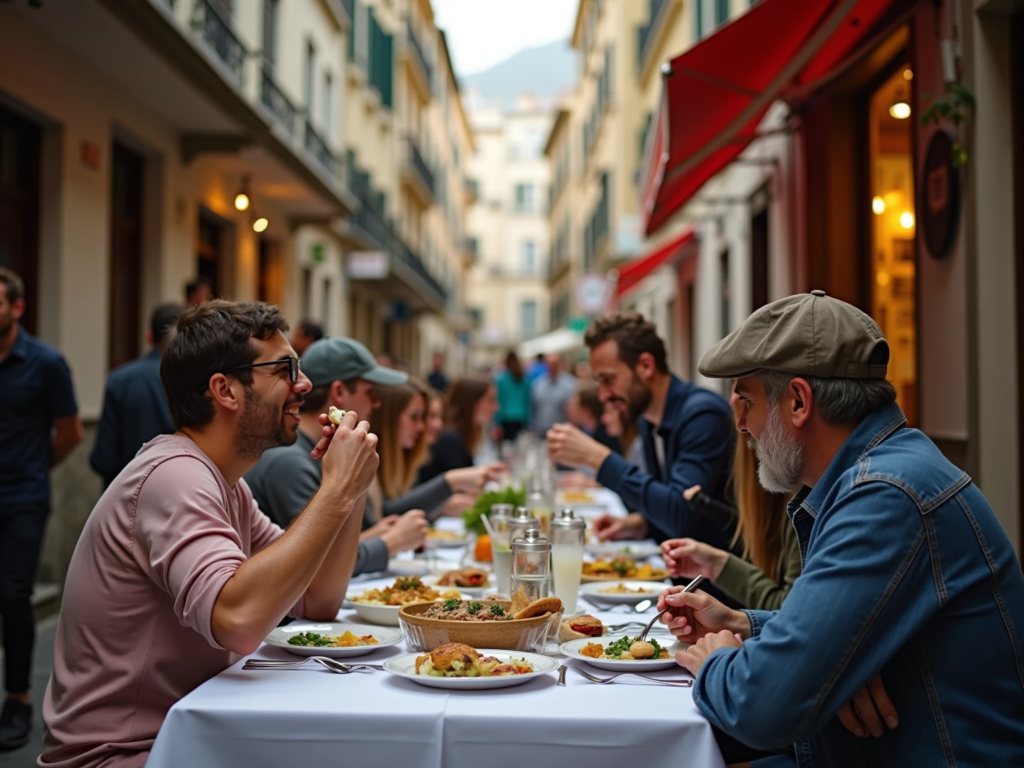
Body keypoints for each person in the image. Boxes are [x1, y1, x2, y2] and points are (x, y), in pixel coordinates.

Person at [658, 291, 1024, 766]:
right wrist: (743, 625)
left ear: (798, 401)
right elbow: (824, 635)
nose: (742, 425)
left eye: (746, 401)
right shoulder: (878, 473)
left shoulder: (884, 495)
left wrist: (718, 661)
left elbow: (761, 707)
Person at [41, 301, 381, 768]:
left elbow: (318, 599)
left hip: (190, 738)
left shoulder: (227, 485)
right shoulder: (174, 476)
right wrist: (336, 490)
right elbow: (239, 621)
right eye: (285, 369)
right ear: (225, 390)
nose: (304, 384)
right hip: (122, 754)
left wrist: (353, 488)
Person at [546, 312, 735, 552]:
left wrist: (597, 458)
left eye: (608, 380)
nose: (603, 395)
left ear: (646, 366)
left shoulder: (703, 415)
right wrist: (641, 525)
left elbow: (681, 514)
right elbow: (668, 505)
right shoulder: (647, 419)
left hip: (720, 570)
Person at [244, 337, 418, 576]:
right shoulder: (289, 461)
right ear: (339, 391)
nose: (377, 403)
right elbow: (319, 566)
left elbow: (330, 549)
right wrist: (393, 541)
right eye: (370, 392)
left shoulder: (313, 451)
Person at [0, 268, 82, 751]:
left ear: (17, 307)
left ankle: (18, 699)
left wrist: (34, 468)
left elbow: (70, 432)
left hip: (23, 497)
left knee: (13, 594)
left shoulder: (46, 363)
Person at [661, 391, 801, 611]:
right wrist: (715, 563)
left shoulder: (806, 496)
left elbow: (789, 612)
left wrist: (730, 618)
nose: (732, 402)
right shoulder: (770, 482)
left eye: (745, 395)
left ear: (798, 403)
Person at [367, 381, 502, 525]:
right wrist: (450, 482)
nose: (422, 426)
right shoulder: (370, 462)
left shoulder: (406, 458)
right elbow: (387, 515)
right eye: (415, 417)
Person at [90, 304, 184, 486]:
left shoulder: (119, 380)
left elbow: (103, 458)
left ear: (148, 336)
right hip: (179, 488)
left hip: (125, 490)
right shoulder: (196, 379)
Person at [417, 377, 498, 483]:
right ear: (472, 402)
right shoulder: (451, 439)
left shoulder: (461, 435)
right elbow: (461, 486)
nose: (495, 407)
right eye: (490, 400)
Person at [530, 353, 576, 437]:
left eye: (554, 364)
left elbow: (572, 411)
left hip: (561, 431)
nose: (552, 367)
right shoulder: (538, 384)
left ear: (559, 364)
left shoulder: (570, 384)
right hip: (540, 430)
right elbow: (534, 407)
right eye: (549, 364)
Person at [566, 385, 619, 454]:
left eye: (573, 406)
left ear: (586, 411)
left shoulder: (608, 434)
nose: (568, 409)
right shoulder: (579, 430)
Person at [494, 351, 530, 444]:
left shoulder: (501, 380)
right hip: (521, 417)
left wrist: (497, 422)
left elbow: (499, 401)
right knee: (520, 445)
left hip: (506, 418)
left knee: (507, 446)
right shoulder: (524, 379)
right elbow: (527, 401)